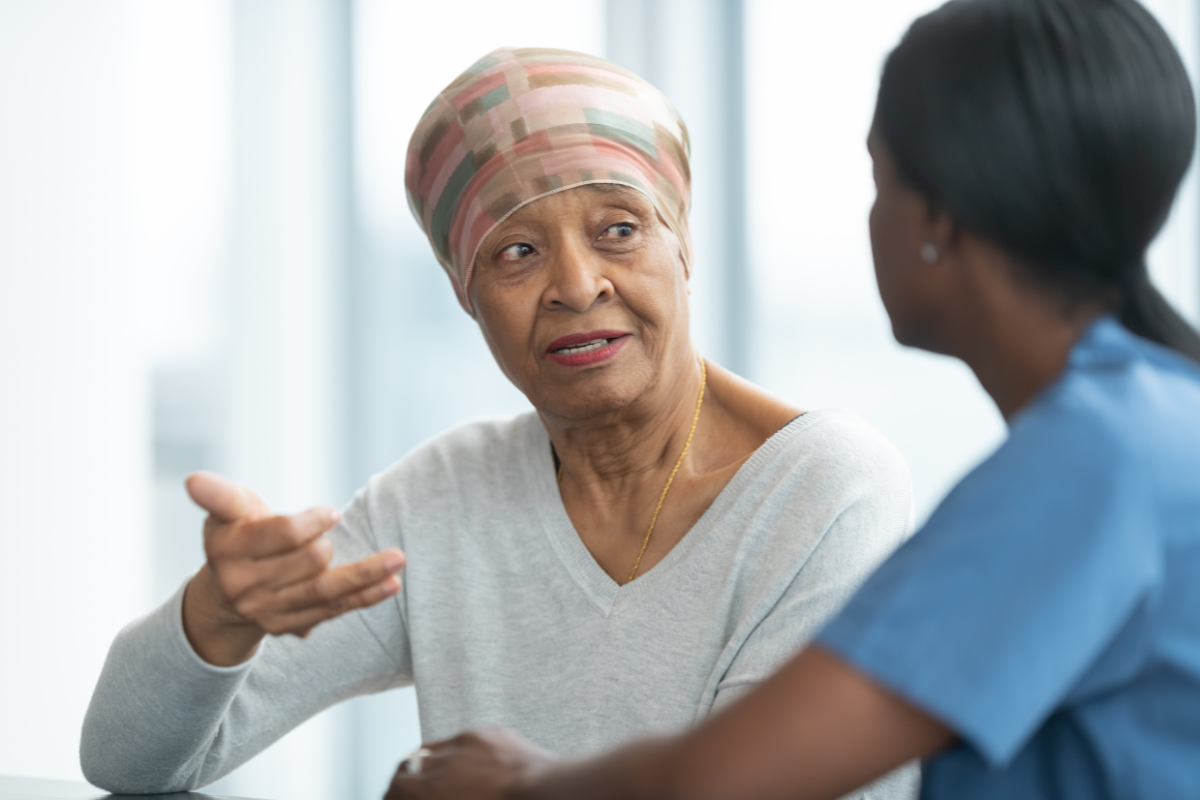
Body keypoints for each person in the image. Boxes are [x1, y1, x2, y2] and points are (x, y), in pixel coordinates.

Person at [382, 2, 1200, 799]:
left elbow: (731, 779)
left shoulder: (1090, 466)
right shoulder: (1153, 425)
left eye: (880, 179)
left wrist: (521, 781)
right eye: (518, 251)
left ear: (936, 222)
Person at [80, 48, 917, 798]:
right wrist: (218, 617)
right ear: (465, 294)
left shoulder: (828, 485)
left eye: (618, 230)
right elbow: (129, 762)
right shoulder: (440, 499)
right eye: (516, 251)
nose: (577, 284)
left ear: (682, 245)